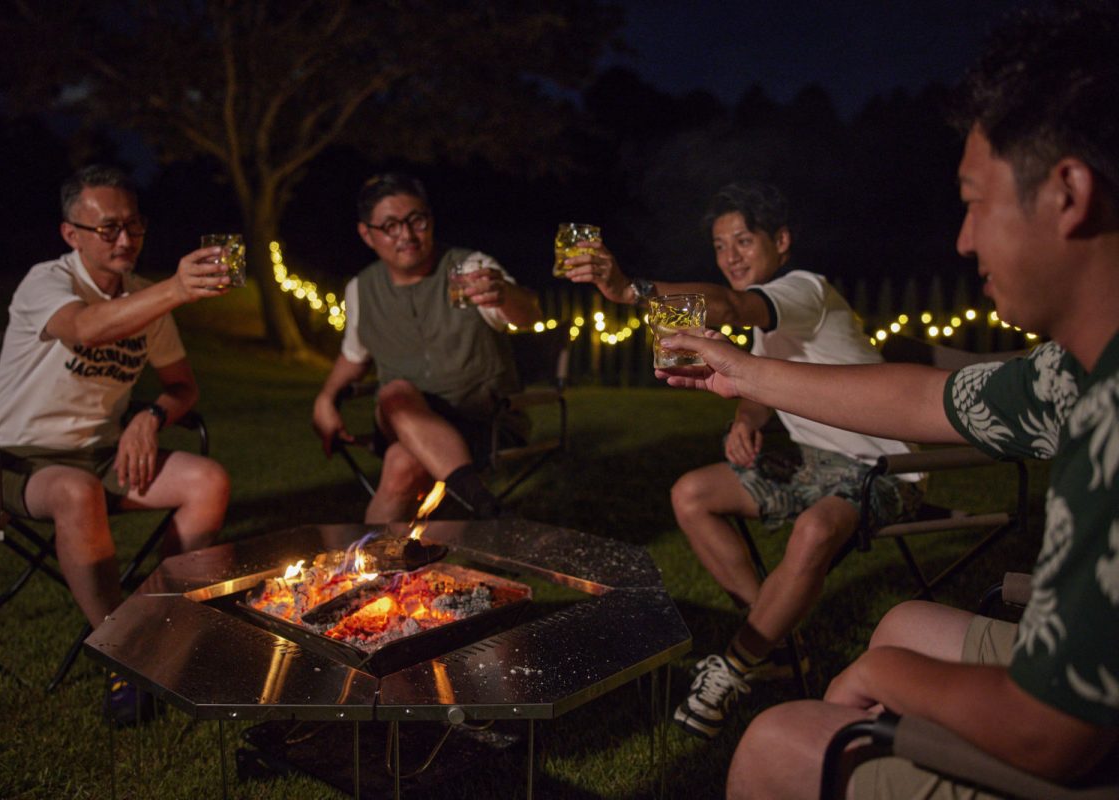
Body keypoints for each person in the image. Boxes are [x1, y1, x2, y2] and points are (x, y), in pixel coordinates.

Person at [657, 3, 1119, 795]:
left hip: (1075, 741)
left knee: (779, 740)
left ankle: (752, 663)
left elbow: (1055, 733)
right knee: (900, 621)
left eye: (974, 202)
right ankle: (768, 631)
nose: (963, 240)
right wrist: (745, 382)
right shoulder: (1070, 373)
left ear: (1068, 192)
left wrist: (886, 679)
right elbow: (925, 397)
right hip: (1068, 669)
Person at [568, 181, 923, 740]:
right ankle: (776, 640)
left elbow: (730, 306)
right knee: (692, 493)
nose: (730, 256)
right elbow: (760, 389)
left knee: (812, 529)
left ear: (780, 241)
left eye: (743, 240)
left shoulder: (804, 290)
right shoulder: (769, 325)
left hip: (881, 467)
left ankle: (734, 667)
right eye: (719, 244)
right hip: (813, 461)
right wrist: (743, 421)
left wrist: (630, 291)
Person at [0, 164, 232, 723]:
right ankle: (125, 653)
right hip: (21, 459)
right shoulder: (46, 282)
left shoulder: (145, 299)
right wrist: (176, 289)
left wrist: (149, 415)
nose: (125, 240)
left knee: (207, 480)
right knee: (75, 492)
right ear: (71, 233)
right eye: (108, 228)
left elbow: (182, 386)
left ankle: (165, 625)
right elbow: (86, 328)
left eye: (135, 226)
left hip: (103, 453)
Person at [311, 173, 542, 523]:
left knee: (402, 463)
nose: (406, 235)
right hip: (402, 416)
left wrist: (506, 294)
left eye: (415, 220)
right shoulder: (362, 288)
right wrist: (325, 398)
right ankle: (483, 505)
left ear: (430, 220)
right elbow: (354, 354)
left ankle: (366, 568)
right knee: (396, 393)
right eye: (390, 226)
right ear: (367, 234)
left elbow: (528, 314)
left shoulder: (470, 269)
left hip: (483, 423)